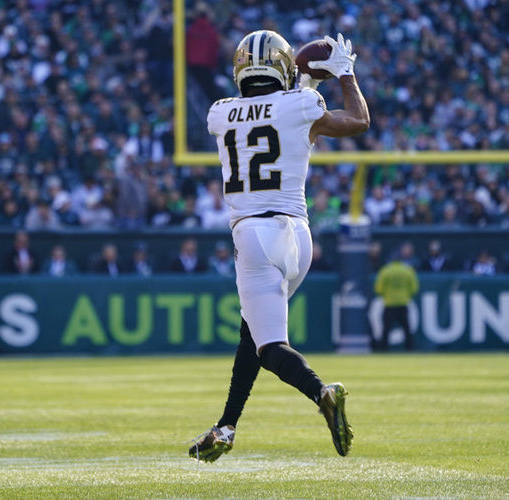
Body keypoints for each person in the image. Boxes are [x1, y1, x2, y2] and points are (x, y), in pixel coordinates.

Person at [189, 31, 368, 461]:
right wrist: (344, 74)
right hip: (299, 240)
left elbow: (263, 113)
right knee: (252, 333)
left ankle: (321, 392)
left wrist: (303, 86)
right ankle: (226, 426)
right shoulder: (301, 105)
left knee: (269, 346)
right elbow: (358, 120)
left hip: (253, 236)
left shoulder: (220, 113)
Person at [373, 250, 419, 351]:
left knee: (386, 329)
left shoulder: (385, 271)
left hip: (389, 303)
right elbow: (414, 288)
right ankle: (410, 348)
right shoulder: (408, 271)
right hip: (403, 303)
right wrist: (405, 295)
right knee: (406, 328)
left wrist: (387, 295)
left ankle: (383, 349)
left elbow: (379, 288)